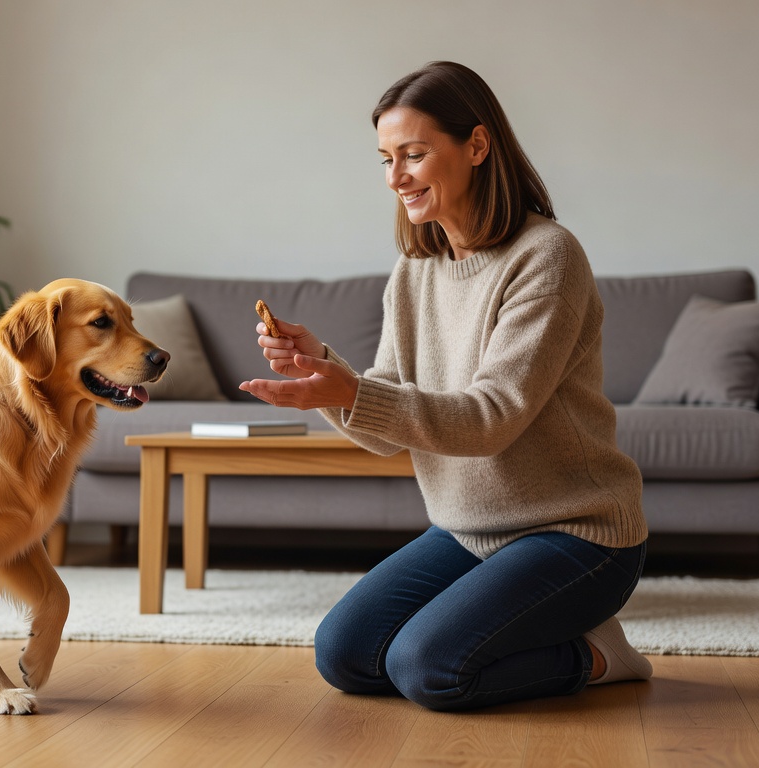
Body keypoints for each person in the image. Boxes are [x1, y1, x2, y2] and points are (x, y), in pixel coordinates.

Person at [238, 61, 651, 712]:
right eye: (385, 158)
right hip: (467, 530)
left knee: (428, 667)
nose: (395, 177)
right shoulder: (415, 269)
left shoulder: (547, 257)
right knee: (343, 653)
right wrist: (323, 372)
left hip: (579, 535)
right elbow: (384, 430)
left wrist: (348, 392)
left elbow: (492, 420)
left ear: (477, 146)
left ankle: (601, 655)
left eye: (414, 155)